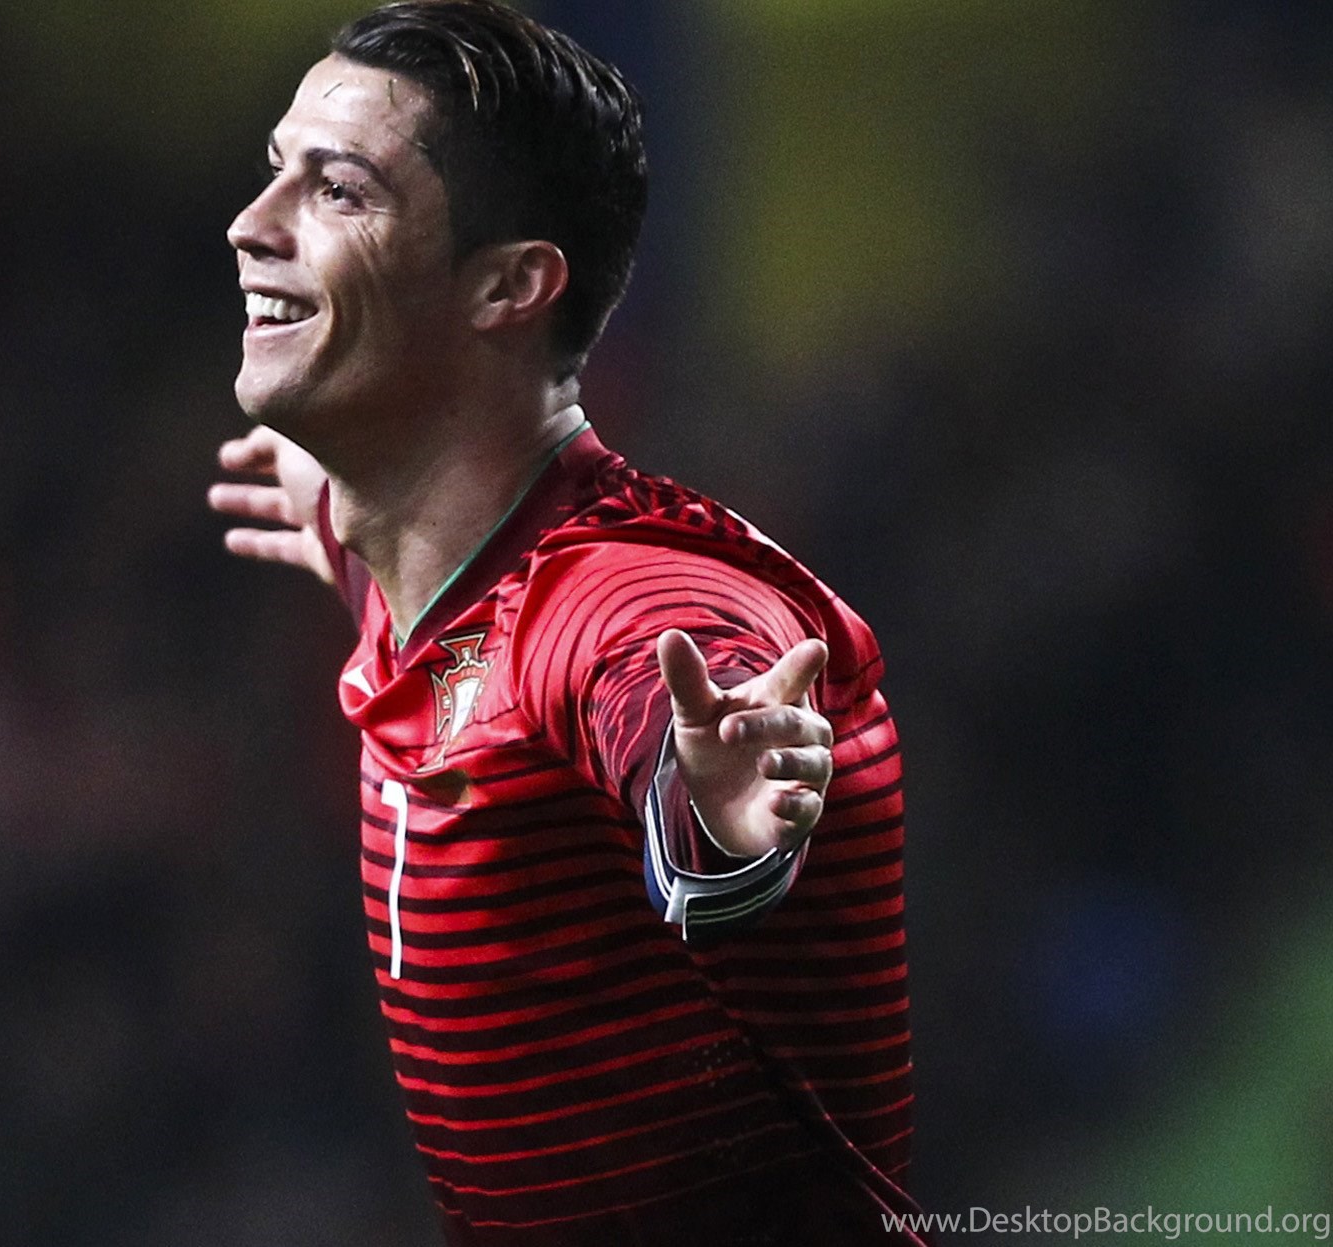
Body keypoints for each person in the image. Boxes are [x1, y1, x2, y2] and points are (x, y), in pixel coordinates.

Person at [206, 2, 926, 1242]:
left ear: (508, 286)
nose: (251, 225)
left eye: (337, 192)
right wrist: (333, 494)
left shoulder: (609, 594)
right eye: (276, 172)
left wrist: (707, 809)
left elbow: (652, 667)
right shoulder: (429, 561)